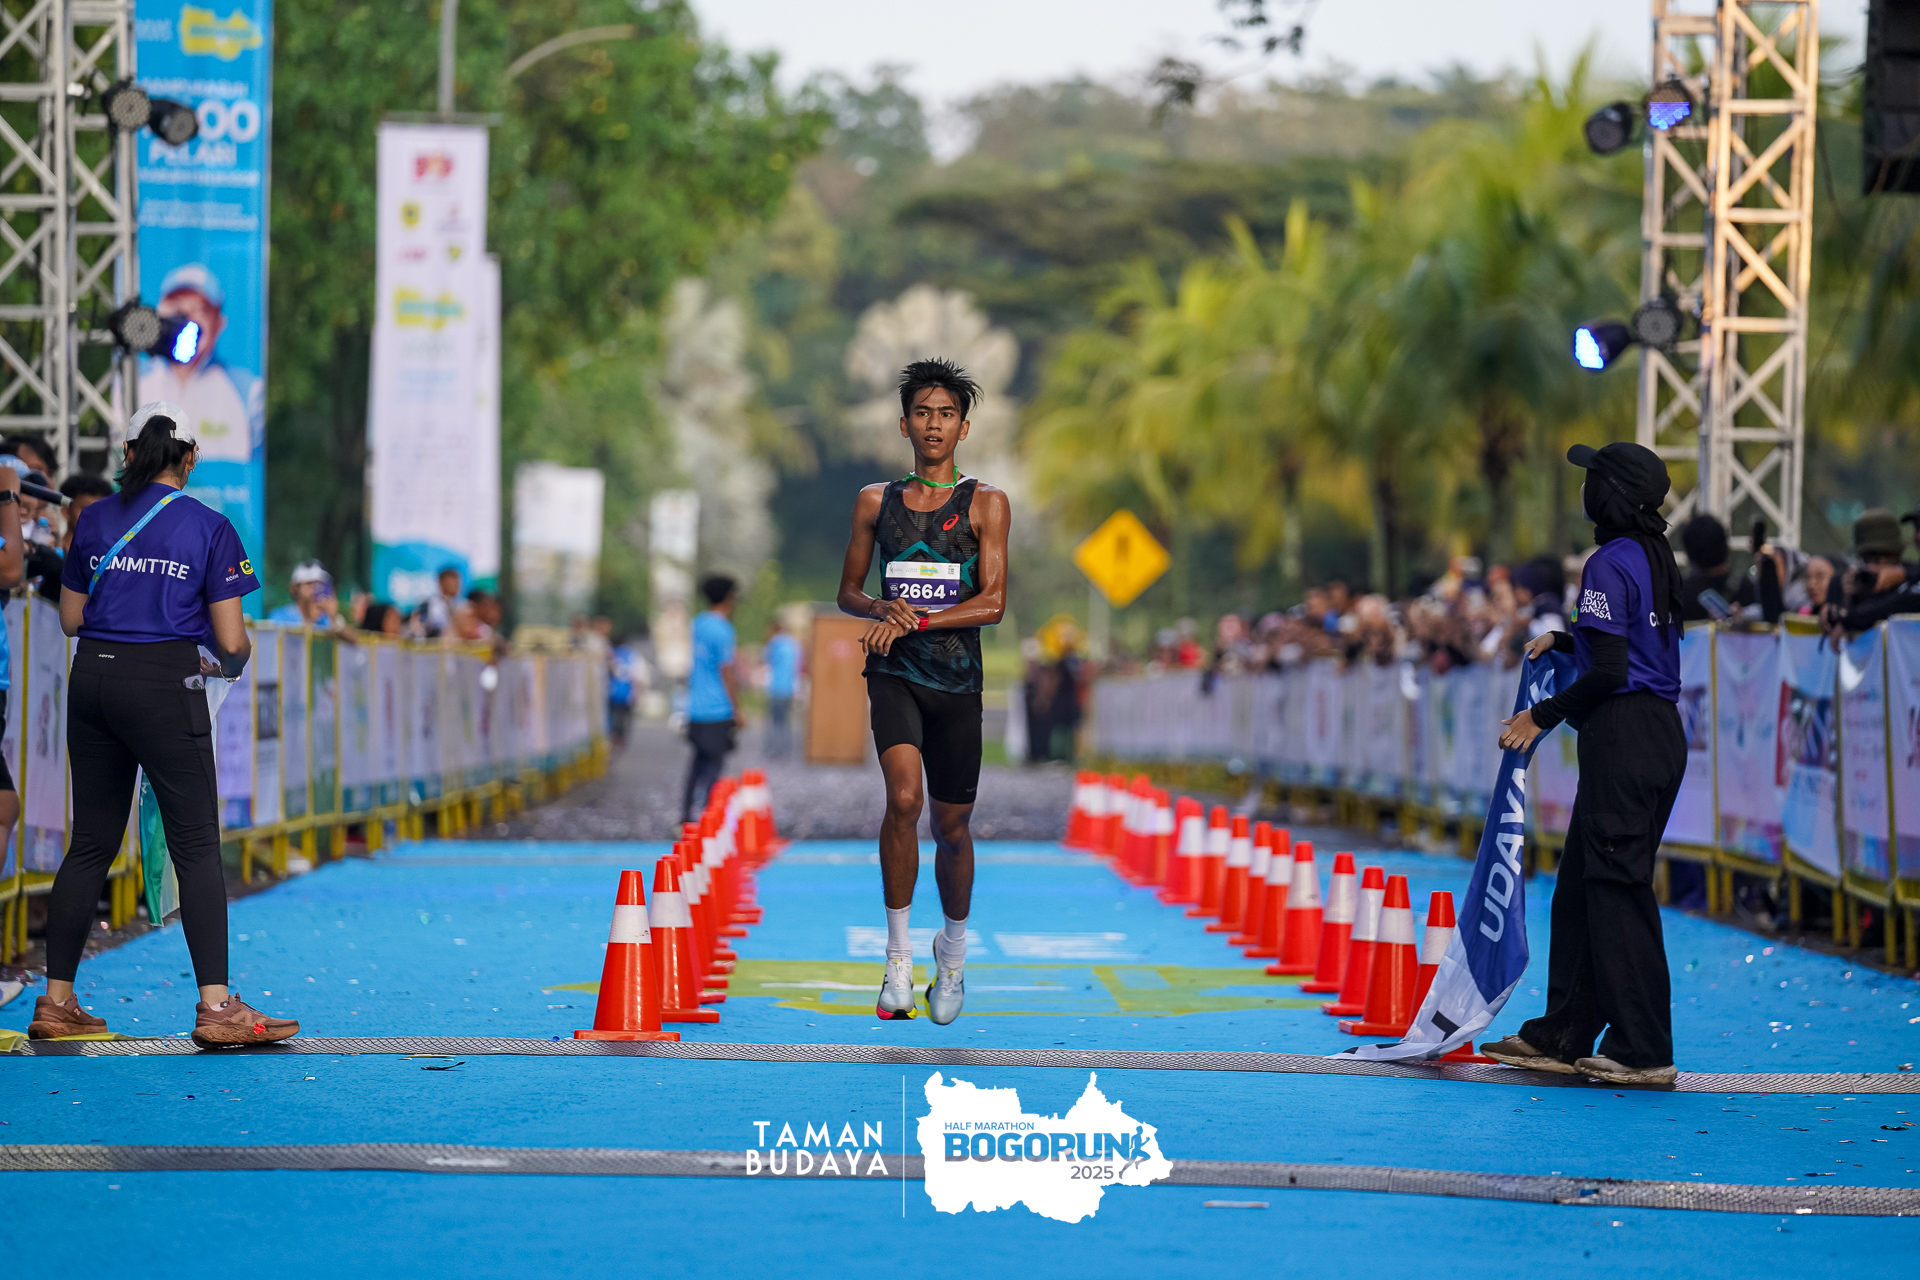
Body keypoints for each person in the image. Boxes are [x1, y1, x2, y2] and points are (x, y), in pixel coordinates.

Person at [33, 403, 297, 1046]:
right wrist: (225, 661)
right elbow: (232, 642)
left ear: (127, 454)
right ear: (191, 459)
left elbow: (70, 619)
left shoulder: (93, 519)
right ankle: (217, 1007)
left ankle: (57, 1003)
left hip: (93, 679)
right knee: (196, 844)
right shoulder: (209, 526)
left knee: (91, 843)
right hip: (164, 685)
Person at [1482, 441, 1686, 1086]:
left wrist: (1539, 717)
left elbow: (1611, 672)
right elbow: (1628, 649)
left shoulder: (1607, 561)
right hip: (1653, 736)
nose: (1584, 488)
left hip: (1625, 736)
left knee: (1619, 893)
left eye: (1592, 478)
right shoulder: (1652, 555)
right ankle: (1563, 1034)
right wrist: (1567, 639)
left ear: (1610, 495)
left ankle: (1644, 1049)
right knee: (1580, 889)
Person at [835, 357, 1010, 1026]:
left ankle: (953, 955)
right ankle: (898, 960)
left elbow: (993, 603)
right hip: (894, 673)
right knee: (904, 799)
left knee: (953, 827)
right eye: (922, 413)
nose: (933, 424)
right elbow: (848, 592)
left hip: (958, 682)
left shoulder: (987, 502)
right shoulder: (874, 501)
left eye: (946, 414)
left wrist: (919, 618)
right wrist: (881, 608)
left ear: (963, 428)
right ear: (903, 423)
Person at [682, 574, 741, 825]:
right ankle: (708, 820)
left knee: (696, 765)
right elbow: (726, 672)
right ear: (729, 597)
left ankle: (685, 816)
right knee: (714, 767)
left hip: (695, 708)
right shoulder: (723, 629)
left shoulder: (697, 623)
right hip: (717, 708)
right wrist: (737, 709)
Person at [1823, 508, 1920, 640]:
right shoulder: (1848, 580)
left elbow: (1900, 604)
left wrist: (1904, 575)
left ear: (1899, 552)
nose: (1881, 563)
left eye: (1888, 554)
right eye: (1871, 556)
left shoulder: (1911, 576)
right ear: (1860, 558)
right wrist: (1846, 598)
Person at [762, 618, 800, 760]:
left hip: (776, 687)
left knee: (775, 722)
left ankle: (774, 750)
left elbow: (766, 660)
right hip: (789, 687)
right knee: (786, 721)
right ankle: (786, 750)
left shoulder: (774, 643)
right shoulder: (793, 644)